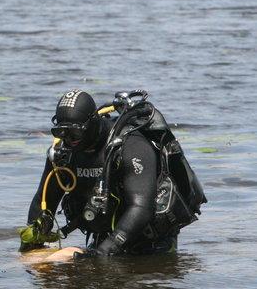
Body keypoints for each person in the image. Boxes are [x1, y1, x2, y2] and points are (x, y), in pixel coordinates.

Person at [19, 89, 206, 257]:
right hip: (104, 237)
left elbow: (141, 207)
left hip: (151, 244)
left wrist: (106, 250)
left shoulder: (131, 146)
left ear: (92, 122)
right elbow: (44, 201)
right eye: (61, 132)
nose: (69, 140)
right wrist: (30, 245)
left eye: (75, 133)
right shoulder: (63, 153)